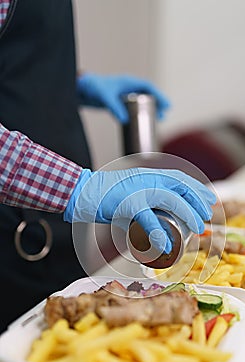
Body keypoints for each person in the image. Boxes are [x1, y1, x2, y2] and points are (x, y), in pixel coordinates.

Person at [0, 0, 216, 332]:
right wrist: (79, 188)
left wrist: (70, 84)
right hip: (12, 237)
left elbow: (16, 53)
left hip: (53, 228)